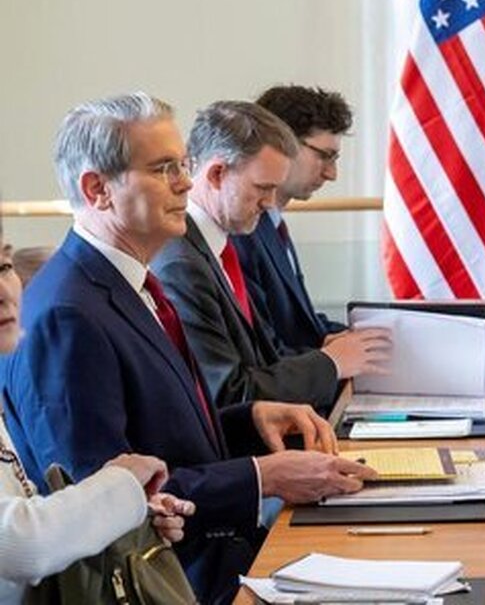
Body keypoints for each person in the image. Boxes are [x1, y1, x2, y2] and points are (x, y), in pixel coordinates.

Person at [1, 93, 376, 604]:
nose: (184, 182)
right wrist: (259, 477)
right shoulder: (68, 313)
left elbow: (155, 435)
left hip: (214, 557)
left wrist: (248, 418)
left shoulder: (126, 283)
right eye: (163, 168)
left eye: (182, 164)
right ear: (97, 189)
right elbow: (99, 503)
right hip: (171, 580)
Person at [151, 100, 390, 411]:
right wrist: (330, 363)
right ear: (217, 174)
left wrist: (326, 354)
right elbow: (229, 394)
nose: (269, 203)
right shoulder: (181, 264)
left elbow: (264, 359)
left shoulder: (217, 246)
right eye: (263, 188)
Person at [0, 233, 194, 605]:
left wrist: (131, 513)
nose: (4, 292)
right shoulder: (67, 309)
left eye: (4, 266)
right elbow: (22, 544)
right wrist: (121, 485)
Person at [234, 85, 350, 352]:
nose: (332, 174)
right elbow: (265, 348)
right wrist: (334, 357)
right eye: (324, 156)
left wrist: (368, 335)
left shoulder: (273, 225)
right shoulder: (243, 232)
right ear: (281, 143)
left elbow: (301, 325)